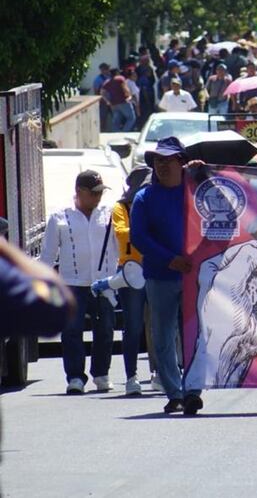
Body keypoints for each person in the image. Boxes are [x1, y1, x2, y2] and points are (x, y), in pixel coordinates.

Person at [130, 137, 204, 415]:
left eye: (168, 159)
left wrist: (206, 171)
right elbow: (139, 237)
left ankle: (193, 390)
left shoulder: (197, 188)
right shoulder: (144, 197)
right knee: (162, 337)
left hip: (194, 276)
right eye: (157, 160)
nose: (161, 165)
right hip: (160, 275)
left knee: (195, 335)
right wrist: (170, 260)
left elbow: (224, 207)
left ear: (181, 162)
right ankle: (175, 392)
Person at [39, 170, 118, 395]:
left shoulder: (109, 214)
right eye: (93, 193)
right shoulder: (61, 217)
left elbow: (118, 247)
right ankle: (75, 377)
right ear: (80, 192)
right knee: (72, 331)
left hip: (102, 283)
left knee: (105, 329)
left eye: (100, 192)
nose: (98, 197)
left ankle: (101, 374)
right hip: (71, 283)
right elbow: (48, 254)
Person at [94, 167, 152, 395]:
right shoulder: (121, 207)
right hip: (130, 269)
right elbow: (122, 233)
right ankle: (131, 376)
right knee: (133, 326)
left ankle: (159, 374)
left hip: (155, 268)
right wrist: (146, 230)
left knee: (158, 326)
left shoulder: (153, 204)